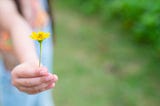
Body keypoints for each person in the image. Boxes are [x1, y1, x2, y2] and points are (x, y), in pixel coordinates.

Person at [0, 0, 58, 106]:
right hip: (20, 69)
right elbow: (17, 25)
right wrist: (30, 61)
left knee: (43, 100)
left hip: (42, 55)